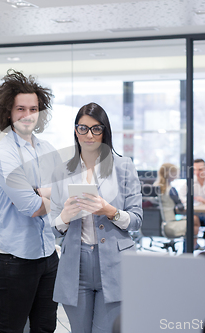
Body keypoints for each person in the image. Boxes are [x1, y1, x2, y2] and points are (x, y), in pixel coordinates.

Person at [50, 102, 142, 333]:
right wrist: (64, 216)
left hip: (115, 263)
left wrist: (110, 211)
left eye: (96, 129)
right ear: (75, 130)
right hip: (76, 265)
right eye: (83, 128)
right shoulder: (62, 171)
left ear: (104, 131)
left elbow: (137, 219)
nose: (89, 135)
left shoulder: (124, 167)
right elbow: (51, 228)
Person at [0, 70, 61, 333]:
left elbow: (68, 193)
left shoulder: (47, 149)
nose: (28, 115)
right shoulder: (3, 155)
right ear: (8, 112)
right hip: (16, 259)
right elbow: (32, 208)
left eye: (33, 108)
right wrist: (52, 195)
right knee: (12, 329)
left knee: (45, 327)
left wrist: (43, 192)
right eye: (21, 109)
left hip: (48, 254)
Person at [154, 163, 199, 248]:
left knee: (193, 221)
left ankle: (189, 248)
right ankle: (191, 247)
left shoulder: (155, 187)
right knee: (195, 219)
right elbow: (181, 207)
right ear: (170, 174)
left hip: (158, 226)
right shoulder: (171, 190)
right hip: (170, 226)